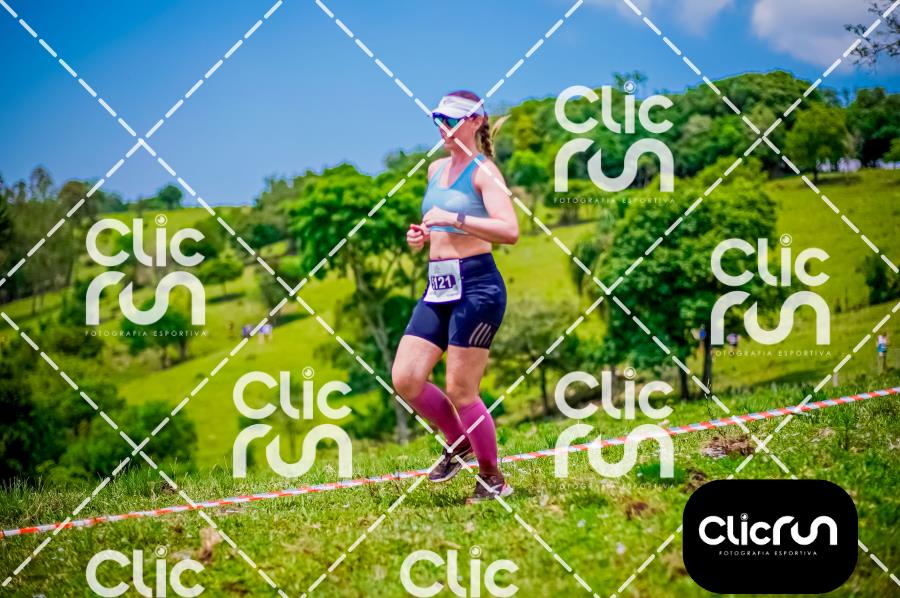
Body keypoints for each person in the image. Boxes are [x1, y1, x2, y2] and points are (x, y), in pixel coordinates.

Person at [391, 90, 519, 504]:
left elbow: (510, 231)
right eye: (438, 120)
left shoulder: (485, 172)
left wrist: (454, 218)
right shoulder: (436, 169)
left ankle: (493, 479)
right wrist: (422, 237)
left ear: (476, 121)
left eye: (451, 120)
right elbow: (439, 229)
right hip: (438, 285)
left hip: (478, 286)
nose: (443, 128)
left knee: (462, 390)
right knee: (406, 378)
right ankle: (459, 440)